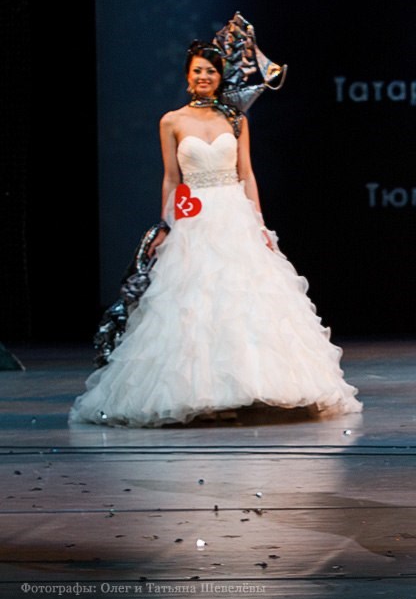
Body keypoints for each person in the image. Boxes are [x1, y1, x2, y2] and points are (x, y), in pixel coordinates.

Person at [71, 36, 361, 427]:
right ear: (187, 76)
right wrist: (165, 224)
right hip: (194, 217)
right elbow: (171, 178)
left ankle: (252, 387)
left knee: (245, 300)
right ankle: (204, 393)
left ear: (220, 76)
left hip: (234, 213)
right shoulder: (172, 121)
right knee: (195, 303)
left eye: (211, 71)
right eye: (198, 71)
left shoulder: (236, 120)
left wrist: (259, 223)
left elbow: (247, 174)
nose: (204, 76)